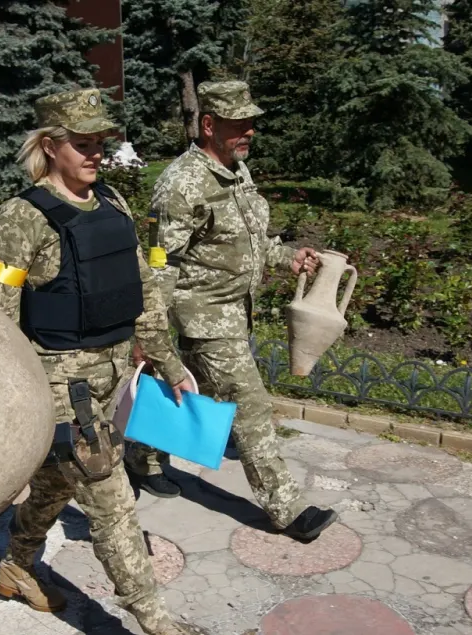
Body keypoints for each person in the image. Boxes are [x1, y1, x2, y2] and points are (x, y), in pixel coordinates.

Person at [0, 87, 208, 635]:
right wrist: (13, 403)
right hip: (61, 380)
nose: (95, 154)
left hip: (112, 375)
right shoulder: (20, 218)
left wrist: (169, 364)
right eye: (82, 144)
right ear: (50, 146)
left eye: (101, 143)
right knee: (111, 502)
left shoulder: (111, 202)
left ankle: (15, 565)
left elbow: (143, 292)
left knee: (58, 484)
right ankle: (157, 624)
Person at [128, 80, 339, 543]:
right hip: (201, 314)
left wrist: (288, 257)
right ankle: (286, 508)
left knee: (180, 388)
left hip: (232, 311)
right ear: (209, 125)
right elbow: (163, 263)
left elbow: (249, 240)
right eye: (239, 126)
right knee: (250, 405)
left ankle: (141, 457)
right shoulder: (182, 184)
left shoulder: (237, 172)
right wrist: (152, 329)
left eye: (251, 125)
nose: (249, 134)